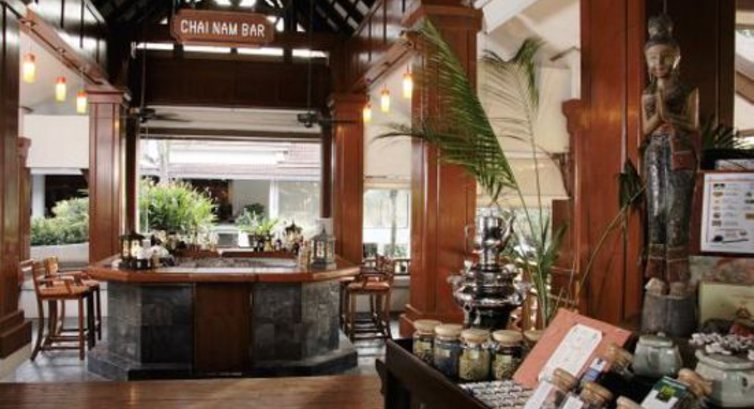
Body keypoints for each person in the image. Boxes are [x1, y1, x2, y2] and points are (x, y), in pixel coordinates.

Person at [641, 14, 699, 286]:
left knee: (677, 213)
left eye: (665, 57)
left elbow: (692, 124)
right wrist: (659, 115)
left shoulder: (687, 90)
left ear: (677, 58)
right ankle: (656, 274)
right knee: (656, 212)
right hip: (655, 152)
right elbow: (646, 128)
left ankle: (676, 275)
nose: (659, 63)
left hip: (679, 151)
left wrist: (668, 115)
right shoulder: (647, 93)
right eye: (653, 58)